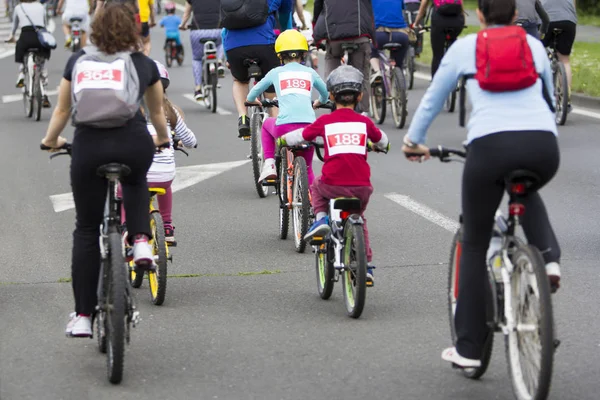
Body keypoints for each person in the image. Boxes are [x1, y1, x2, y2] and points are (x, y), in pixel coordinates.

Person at [402, 0, 561, 367]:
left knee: (473, 243)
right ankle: (550, 261)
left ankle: (469, 349)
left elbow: (431, 100)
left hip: (489, 149)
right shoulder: (533, 46)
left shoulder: (464, 48)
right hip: (542, 146)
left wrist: (413, 141)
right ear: (516, 14)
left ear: (481, 15)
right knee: (527, 187)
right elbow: (549, 101)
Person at [40, 3, 170, 338]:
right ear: (133, 30)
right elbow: (156, 114)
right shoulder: (142, 64)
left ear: (95, 29)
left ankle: (83, 315)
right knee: (136, 179)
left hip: (89, 147)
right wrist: (164, 139)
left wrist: (51, 140)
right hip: (132, 141)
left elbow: (63, 110)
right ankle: (141, 240)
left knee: (86, 230)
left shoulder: (78, 61)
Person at [278, 65, 390, 286]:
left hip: (332, 185)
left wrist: (282, 140)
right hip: (362, 187)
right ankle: (365, 266)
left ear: (330, 95)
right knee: (360, 218)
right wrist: (379, 145)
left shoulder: (324, 122)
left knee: (316, 186)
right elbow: (383, 141)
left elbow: (300, 136)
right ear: (360, 96)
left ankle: (320, 220)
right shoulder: (364, 123)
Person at [121, 60, 197, 246]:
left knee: (122, 187)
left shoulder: (128, 110)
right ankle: (168, 226)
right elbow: (190, 140)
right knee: (165, 185)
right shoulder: (170, 111)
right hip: (164, 174)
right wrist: (183, 142)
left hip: (139, 173)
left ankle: (125, 226)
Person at [246, 29, 328, 184]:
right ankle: (312, 204)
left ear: (280, 56)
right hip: (309, 128)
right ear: (303, 54)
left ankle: (269, 163)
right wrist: (320, 102)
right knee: (308, 168)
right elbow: (325, 93)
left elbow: (253, 93)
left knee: (266, 124)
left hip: (284, 128)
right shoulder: (310, 72)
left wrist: (254, 101)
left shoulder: (276, 72)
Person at [222, 0, 293, 138]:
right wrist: (287, 35)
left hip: (233, 48)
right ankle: (276, 129)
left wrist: (228, 57)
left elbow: (224, 30)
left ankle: (243, 117)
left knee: (240, 81)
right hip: (264, 44)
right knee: (271, 89)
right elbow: (285, 18)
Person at [312, 0, 375, 114]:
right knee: (362, 75)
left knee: (331, 60)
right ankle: (363, 112)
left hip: (335, 37)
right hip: (360, 35)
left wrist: (316, 33)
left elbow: (318, 7)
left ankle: (332, 96)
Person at [6, 0, 52, 108]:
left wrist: (11, 36)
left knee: (21, 55)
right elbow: (45, 24)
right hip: (39, 37)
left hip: (25, 37)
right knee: (41, 62)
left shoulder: (19, 7)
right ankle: (44, 92)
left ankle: (21, 74)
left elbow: (14, 26)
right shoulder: (41, 6)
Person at [178, 0, 224, 101]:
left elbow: (186, 14)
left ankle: (198, 89)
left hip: (198, 33)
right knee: (223, 42)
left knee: (197, 59)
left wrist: (182, 25)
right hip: (217, 31)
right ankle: (219, 61)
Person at [413, 0, 465, 77]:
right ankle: (456, 77)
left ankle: (435, 83)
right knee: (453, 43)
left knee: (437, 55)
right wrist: (463, 21)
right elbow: (461, 3)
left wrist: (416, 22)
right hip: (457, 22)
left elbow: (424, 3)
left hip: (439, 22)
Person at [542, 0, 577, 111]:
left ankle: (543, 94)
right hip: (568, 20)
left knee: (540, 52)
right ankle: (567, 97)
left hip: (546, 19)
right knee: (564, 59)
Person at [369, 0, 411, 86]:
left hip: (379, 35)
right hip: (401, 35)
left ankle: (377, 71)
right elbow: (402, 9)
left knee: (370, 49)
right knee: (398, 64)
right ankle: (398, 78)